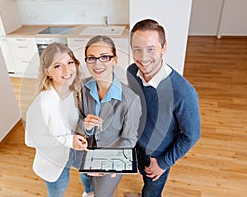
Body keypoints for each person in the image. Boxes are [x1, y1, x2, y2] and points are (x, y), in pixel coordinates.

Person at [126, 19, 201, 197]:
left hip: (158, 155)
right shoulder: (131, 72)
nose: (143, 57)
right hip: (136, 146)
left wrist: (163, 162)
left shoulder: (183, 92)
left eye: (151, 49)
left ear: (164, 47)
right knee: (144, 179)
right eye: (137, 49)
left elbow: (192, 135)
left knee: (152, 192)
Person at [78, 35, 142, 197]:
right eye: (91, 58)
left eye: (104, 57)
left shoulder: (131, 100)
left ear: (115, 59)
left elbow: (129, 139)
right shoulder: (82, 88)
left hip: (112, 157)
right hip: (87, 152)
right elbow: (78, 121)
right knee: (88, 182)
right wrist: (84, 126)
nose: (97, 64)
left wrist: (107, 164)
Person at [25, 42, 88, 197]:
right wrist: (68, 141)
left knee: (89, 170)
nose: (67, 70)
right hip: (54, 161)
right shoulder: (43, 103)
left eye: (70, 62)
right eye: (58, 66)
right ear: (48, 71)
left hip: (72, 149)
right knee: (58, 192)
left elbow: (72, 121)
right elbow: (31, 141)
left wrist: (84, 124)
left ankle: (89, 193)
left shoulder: (74, 90)